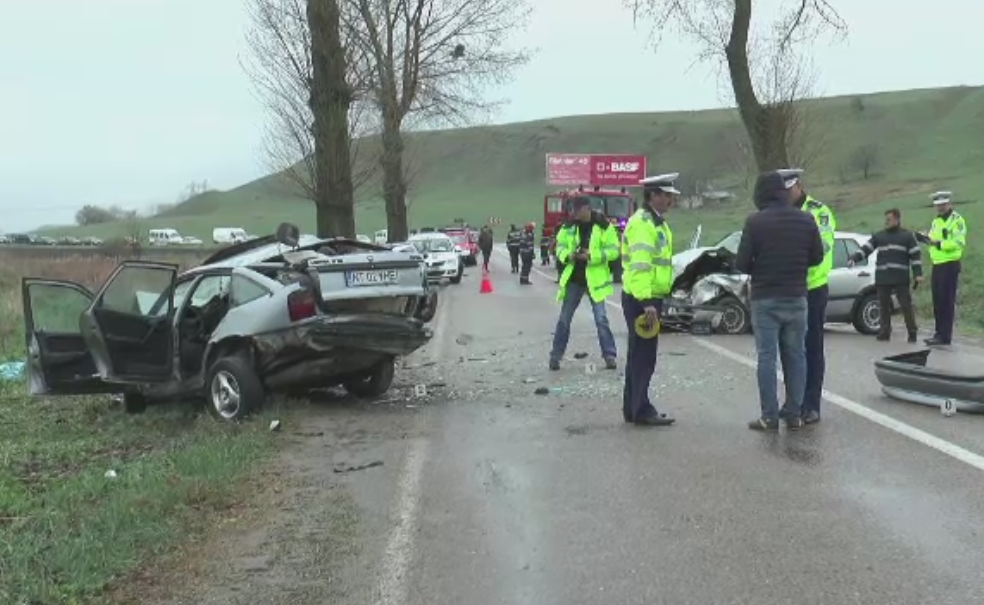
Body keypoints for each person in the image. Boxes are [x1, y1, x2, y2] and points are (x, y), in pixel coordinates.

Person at [735, 170, 824, 432]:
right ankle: (794, 413)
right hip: (797, 297)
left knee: (767, 358)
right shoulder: (807, 220)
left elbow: (741, 263)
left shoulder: (755, 222)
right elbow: (817, 258)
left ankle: (769, 416)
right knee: (797, 357)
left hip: (765, 299)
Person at [620, 173, 681, 427]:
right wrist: (646, 301)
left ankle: (633, 407)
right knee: (644, 356)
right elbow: (641, 266)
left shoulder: (657, 224)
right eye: (666, 195)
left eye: (671, 196)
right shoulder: (644, 225)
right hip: (642, 299)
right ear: (652, 195)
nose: (670, 200)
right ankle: (641, 410)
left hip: (648, 297)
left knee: (639, 354)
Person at [777, 167, 835, 426]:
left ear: (798, 186)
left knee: (811, 347)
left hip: (812, 288)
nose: (786, 195)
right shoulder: (780, 212)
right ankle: (793, 402)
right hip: (788, 288)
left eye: (789, 190)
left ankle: (811, 404)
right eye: (782, 191)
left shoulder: (819, 212)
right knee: (789, 349)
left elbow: (822, 247)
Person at [549, 197, 620, 371]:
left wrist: (591, 255)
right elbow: (559, 247)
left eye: (576, 210)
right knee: (564, 320)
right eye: (572, 210)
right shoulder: (568, 227)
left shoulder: (604, 226)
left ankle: (609, 355)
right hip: (574, 279)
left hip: (594, 280)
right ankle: (555, 356)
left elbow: (613, 250)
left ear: (586, 209)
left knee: (601, 319)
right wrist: (569, 255)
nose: (573, 214)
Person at [848, 208, 922, 342]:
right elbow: (866, 249)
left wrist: (918, 274)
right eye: (886, 219)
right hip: (883, 278)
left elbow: (915, 255)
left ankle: (912, 332)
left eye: (889, 219)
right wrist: (854, 258)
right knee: (883, 306)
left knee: (906, 306)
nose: (886, 222)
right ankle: (884, 331)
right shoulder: (879, 236)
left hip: (900, 278)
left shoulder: (907, 236)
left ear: (897, 220)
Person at [917, 191, 967, 346]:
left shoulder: (957, 221)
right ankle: (939, 333)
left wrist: (938, 243)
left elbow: (958, 243)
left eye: (943, 205)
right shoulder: (936, 221)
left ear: (949, 204)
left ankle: (945, 336)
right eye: (938, 205)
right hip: (937, 264)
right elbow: (933, 239)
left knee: (946, 301)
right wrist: (925, 238)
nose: (940, 208)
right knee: (937, 300)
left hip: (950, 264)